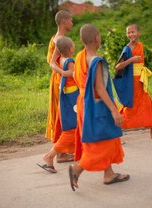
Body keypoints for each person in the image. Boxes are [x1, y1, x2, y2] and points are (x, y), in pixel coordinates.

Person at [69, 24, 129, 191]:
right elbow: (100, 89)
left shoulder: (80, 56)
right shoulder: (96, 60)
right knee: (104, 141)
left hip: (84, 102)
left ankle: (108, 174)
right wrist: (114, 110)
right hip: (98, 106)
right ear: (97, 39)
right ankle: (77, 170)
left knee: (100, 139)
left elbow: (75, 76)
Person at [114, 24, 152, 138]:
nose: (130, 34)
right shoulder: (127, 48)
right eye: (128, 32)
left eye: (133, 32)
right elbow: (118, 66)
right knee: (130, 107)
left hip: (140, 81)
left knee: (147, 105)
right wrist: (131, 60)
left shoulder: (141, 45)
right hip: (131, 83)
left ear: (139, 33)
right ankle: (114, 131)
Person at [37, 36, 78, 173]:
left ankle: (82, 153)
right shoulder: (70, 61)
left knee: (77, 128)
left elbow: (59, 69)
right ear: (70, 49)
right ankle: (49, 156)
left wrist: (62, 72)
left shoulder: (59, 59)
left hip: (65, 98)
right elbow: (75, 76)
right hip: (72, 99)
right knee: (72, 130)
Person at [45, 10, 74, 162]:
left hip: (59, 79)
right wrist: (64, 73)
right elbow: (52, 63)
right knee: (62, 115)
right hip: (60, 82)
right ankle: (60, 153)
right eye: (70, 20)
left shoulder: (57, 37)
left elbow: (52, 61)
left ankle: (62, 152)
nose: (72, 23)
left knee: (62, 114)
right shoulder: (60, 39)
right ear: (63, 21)